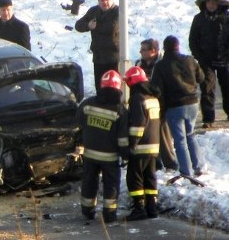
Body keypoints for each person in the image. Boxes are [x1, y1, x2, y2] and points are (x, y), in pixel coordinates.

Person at [76, 70, 128, 223]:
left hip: (90, 154)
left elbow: (78, 124)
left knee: (89, 181)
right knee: (111, 184)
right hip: (110, 156)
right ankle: (109, 214)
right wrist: (125, 155)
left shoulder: (87, 104)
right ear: (118, 88)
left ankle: (87, 210)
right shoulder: (120, 111)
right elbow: (123, 138)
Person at [151, 35, 206, 178]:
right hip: (193, 103)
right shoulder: (190, 60)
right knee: (190, 135)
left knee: (180, 140)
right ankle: (198, 166)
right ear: (178, 46)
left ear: (164, 48)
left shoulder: (161, 65)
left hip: (174, 106)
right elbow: (201, 78)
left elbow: (156, 89)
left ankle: (186, 171)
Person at [189, 0, 229, 128]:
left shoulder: (227, 17)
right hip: (206, 60)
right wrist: (199, 56)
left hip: (224, 60)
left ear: (219, 4)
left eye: (214, 2)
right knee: (207, 89)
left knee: (227, 87)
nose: (211, 5)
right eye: (209, 2)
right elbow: (193, 40)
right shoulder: (198, 18)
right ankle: (208, 119)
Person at [124, 66, 161, 221]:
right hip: (153, 146)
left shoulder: (137, 98)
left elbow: (138, 124)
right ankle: (151, 207)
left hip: (141, 147)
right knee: (149, 177)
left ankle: (139, 208)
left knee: (135, 178)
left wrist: (132, 145)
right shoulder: (152, 97)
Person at [135, 39, 178, 173]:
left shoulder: (162, 64)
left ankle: (170, 163)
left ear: (153, 51)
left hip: (160, 103)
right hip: (144, 103)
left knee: (163, 134)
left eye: (144, 49)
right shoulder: (138, 63)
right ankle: (156, 162)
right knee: (149, 134)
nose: (141, 52)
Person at [75, 0, 119, 92]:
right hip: (98, 57)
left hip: (114, 58)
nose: (105, 2)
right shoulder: (93, 11)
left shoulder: (117, 11)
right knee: (100, 87)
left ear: (112, 0)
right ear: (98, 0)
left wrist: (95, 26)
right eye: (102, 0)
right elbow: (78, 25)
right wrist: (88, 25)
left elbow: (112, 28)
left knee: (113, 89)